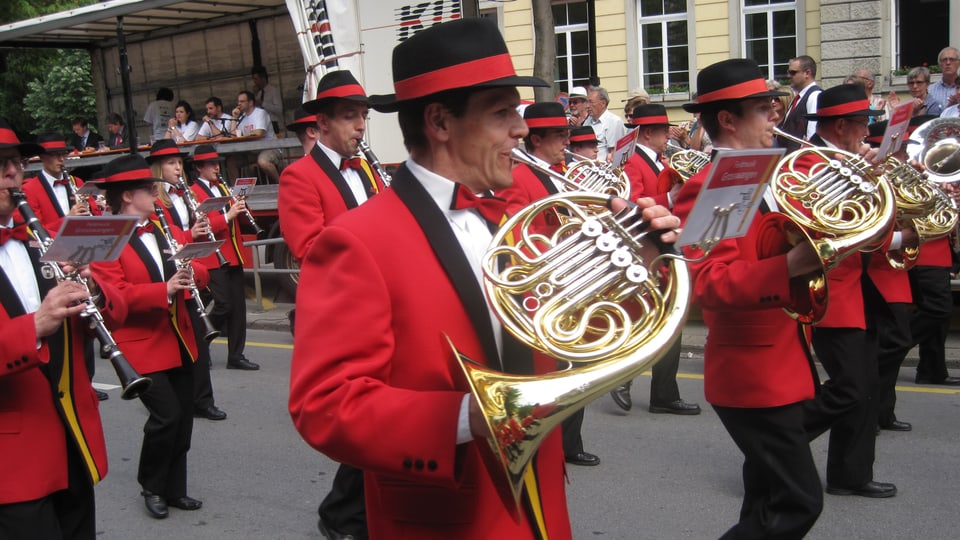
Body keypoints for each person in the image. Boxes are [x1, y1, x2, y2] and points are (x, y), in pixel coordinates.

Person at [289, 18, 681, 538]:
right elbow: (325, 403)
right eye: (502, 114)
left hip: (539, 508)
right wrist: (472, 416)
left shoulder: (517, 222)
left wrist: (640, 263)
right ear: (440, 122)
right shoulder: (358, 240)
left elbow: (569, 331)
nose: (521, 130)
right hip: (447, 518)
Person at [671, 58, 825, 539]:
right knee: (799, 503)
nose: (776, 116)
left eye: (774, 106)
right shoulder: (714, 185)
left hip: (783, 359)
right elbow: (711, 282)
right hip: (752, 374)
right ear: (729, 120)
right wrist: (790, 266)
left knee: (764, 501)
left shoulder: (765, 177)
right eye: (763, 108)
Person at [0, 118, 125, 539]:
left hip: (71, 438)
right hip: (13, 463)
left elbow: (107, 308)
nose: (11, 171)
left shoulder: (37, 240)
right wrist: (36, 324)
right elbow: (36, 326)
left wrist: (91, 290)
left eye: (15, 161)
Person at [277, 69, 385, 540]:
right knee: (366, 415)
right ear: (321, 124)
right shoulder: (298, 175)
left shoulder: (365, 169)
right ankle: (342, 513)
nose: (360, 126)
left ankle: (352, 509)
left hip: (379, 304)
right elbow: (310, 246)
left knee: (379, 415)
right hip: (343, 312)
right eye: (349, 117)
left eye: (362, 116)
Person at [792, 83, 897, 498]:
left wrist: (876, 179)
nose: (866, 134)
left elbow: (876, 227)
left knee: (866, 385)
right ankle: (778, 444)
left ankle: (851, 474)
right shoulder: (806, 163)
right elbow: (810, 227)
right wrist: (860, 181)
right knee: (849, 386)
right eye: (861, 125)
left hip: (862, 284)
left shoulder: (850, 157)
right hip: (832, 288)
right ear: (841, 126)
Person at [90, 154, 208, 520]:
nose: (156, 192)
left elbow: (194, 264)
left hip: (180, 336)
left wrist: (195, 272)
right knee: (167, 416)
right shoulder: (107, 236)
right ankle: (152, 485)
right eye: (148, 188)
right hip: (141, 343)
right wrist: (165, 290)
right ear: (127, 196)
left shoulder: (160, 226)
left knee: (184, 417)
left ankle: (175, 489)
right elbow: (117, 298)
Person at [496, 102, 600, 467]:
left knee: (576, 367)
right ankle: (554, 441)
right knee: (559, 369)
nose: (566, 143)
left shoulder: (561, 172)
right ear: (536, 139)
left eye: (567, 135)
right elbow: (520, 236)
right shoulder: (518, 175)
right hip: (547, 287)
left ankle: (569, 442)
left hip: (573, 281)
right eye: (559, 136)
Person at [613, 104, 700, 416]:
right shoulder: (632, 162)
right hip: (645, 250)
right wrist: (670, 199)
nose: (670, 135)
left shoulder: (662, 159)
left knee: (669, 320)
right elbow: (628, 205)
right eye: (664, 131)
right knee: (651, 320)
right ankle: (624, 376)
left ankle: (662, 392)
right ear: (648, 133)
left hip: (665, 245)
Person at [20, 132, 107, 401]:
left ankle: (87, 383)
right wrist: (67, 219)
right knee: (64, 327)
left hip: (82, 257)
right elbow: (31, 232)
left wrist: (96, 212)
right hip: (55, 263)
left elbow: (93, 215)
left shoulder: (77, 183)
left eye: (63, 155)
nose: (61, 160)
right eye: (56, 155)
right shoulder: (30, 189)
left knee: (86, 319)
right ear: (43, 158)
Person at [146, 140, 227, 422]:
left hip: (190, 267)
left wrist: (200, 231)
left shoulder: (184, 194)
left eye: (179, 162)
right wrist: (191, 234)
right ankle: (181, 398)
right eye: (170, 163)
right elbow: (164, 239)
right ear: (158, 168)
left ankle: (202, 400)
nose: (178, 167)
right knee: (177, 343)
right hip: (168, 273)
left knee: (199, 342)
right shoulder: (154, 200)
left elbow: (192, 234)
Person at [190, 144, 260, 372]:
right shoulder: (193, 192)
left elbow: (236, 219)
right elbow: (202, 226)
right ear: (199, 167)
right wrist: (228, 215)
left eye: (217, 163)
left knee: (238, 308)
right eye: (211, 164)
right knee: (223, 304)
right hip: (212, 256)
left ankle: (236, 355)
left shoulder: (222, 186)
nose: (216, 167)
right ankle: (201, 339)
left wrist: (241, 204)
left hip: (234, 253)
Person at [230, 90, 281, 183]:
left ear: (250, 103)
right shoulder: (242, 117)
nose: (238, 104)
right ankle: (235, 192)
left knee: (263, 161)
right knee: (231, 161)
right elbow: (233, 135)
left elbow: (259, 133)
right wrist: (234, 118)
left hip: (269, 148)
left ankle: (281, 184)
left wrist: (242, 136)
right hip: (252, 151)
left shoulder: (260, 113)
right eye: (238, 101)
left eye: (242, 101)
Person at [778, 55, 822, 150]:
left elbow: (812, 133)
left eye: (793, 72)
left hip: (802, 158)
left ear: (807, 73)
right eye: (788, 72)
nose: (788, 76)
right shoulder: (797, 98)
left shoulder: (814, 96)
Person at [584, 86, 626, 162]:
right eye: (587, 102)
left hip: (604, 169)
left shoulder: (614, 122)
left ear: (603, 103)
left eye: (591, 102)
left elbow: (614, 153)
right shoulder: (587, 121)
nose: (587, 106)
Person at [252, 66, 283, 134]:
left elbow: (279, 109)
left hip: (272, 122)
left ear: (263, 78)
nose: (254, 82)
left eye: (256, 79)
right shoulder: (259, 93)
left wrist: (263, 104)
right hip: (261, 124)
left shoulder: (273, 91)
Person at [928, 46, 960, 111]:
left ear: (959, 63)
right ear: (939, 64)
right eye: (944, 60)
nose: (948, 63)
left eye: (952, 59)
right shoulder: (930, 90)